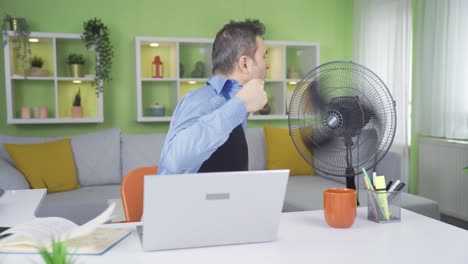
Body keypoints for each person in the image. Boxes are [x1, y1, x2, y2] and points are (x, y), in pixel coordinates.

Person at [158, 19, 269, 175]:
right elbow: (176, 161)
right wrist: (240, 104)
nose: (267, 65)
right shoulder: (201, 100)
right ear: (244, 64)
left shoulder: (236, 105)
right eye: (264, 56)